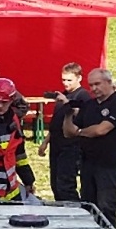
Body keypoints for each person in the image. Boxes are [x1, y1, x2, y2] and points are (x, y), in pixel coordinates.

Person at [65, 69, 116, 227]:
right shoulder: (90, 105)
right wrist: (67, 114)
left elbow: (101, 130)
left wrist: (81, 132)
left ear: (109, 82)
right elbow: (68, 133)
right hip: (87, 162)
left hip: (108, 164)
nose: (94, 88)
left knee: (106, 206)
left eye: (97, 84)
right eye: (91, 85)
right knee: (88, 205)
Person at [35, 62, 87, 202]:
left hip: (72, 145)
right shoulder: (62, 95)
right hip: (56, 144)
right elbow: (56, 123)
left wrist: (67, 103)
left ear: (79, 78)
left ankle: (76, 212)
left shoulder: (83, 96)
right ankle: (62, 209)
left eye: (69, 80)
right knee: (56, 184)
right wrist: (45, 142)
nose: (66, 83)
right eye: (63, 80)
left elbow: (82, 114)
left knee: (66, 184)